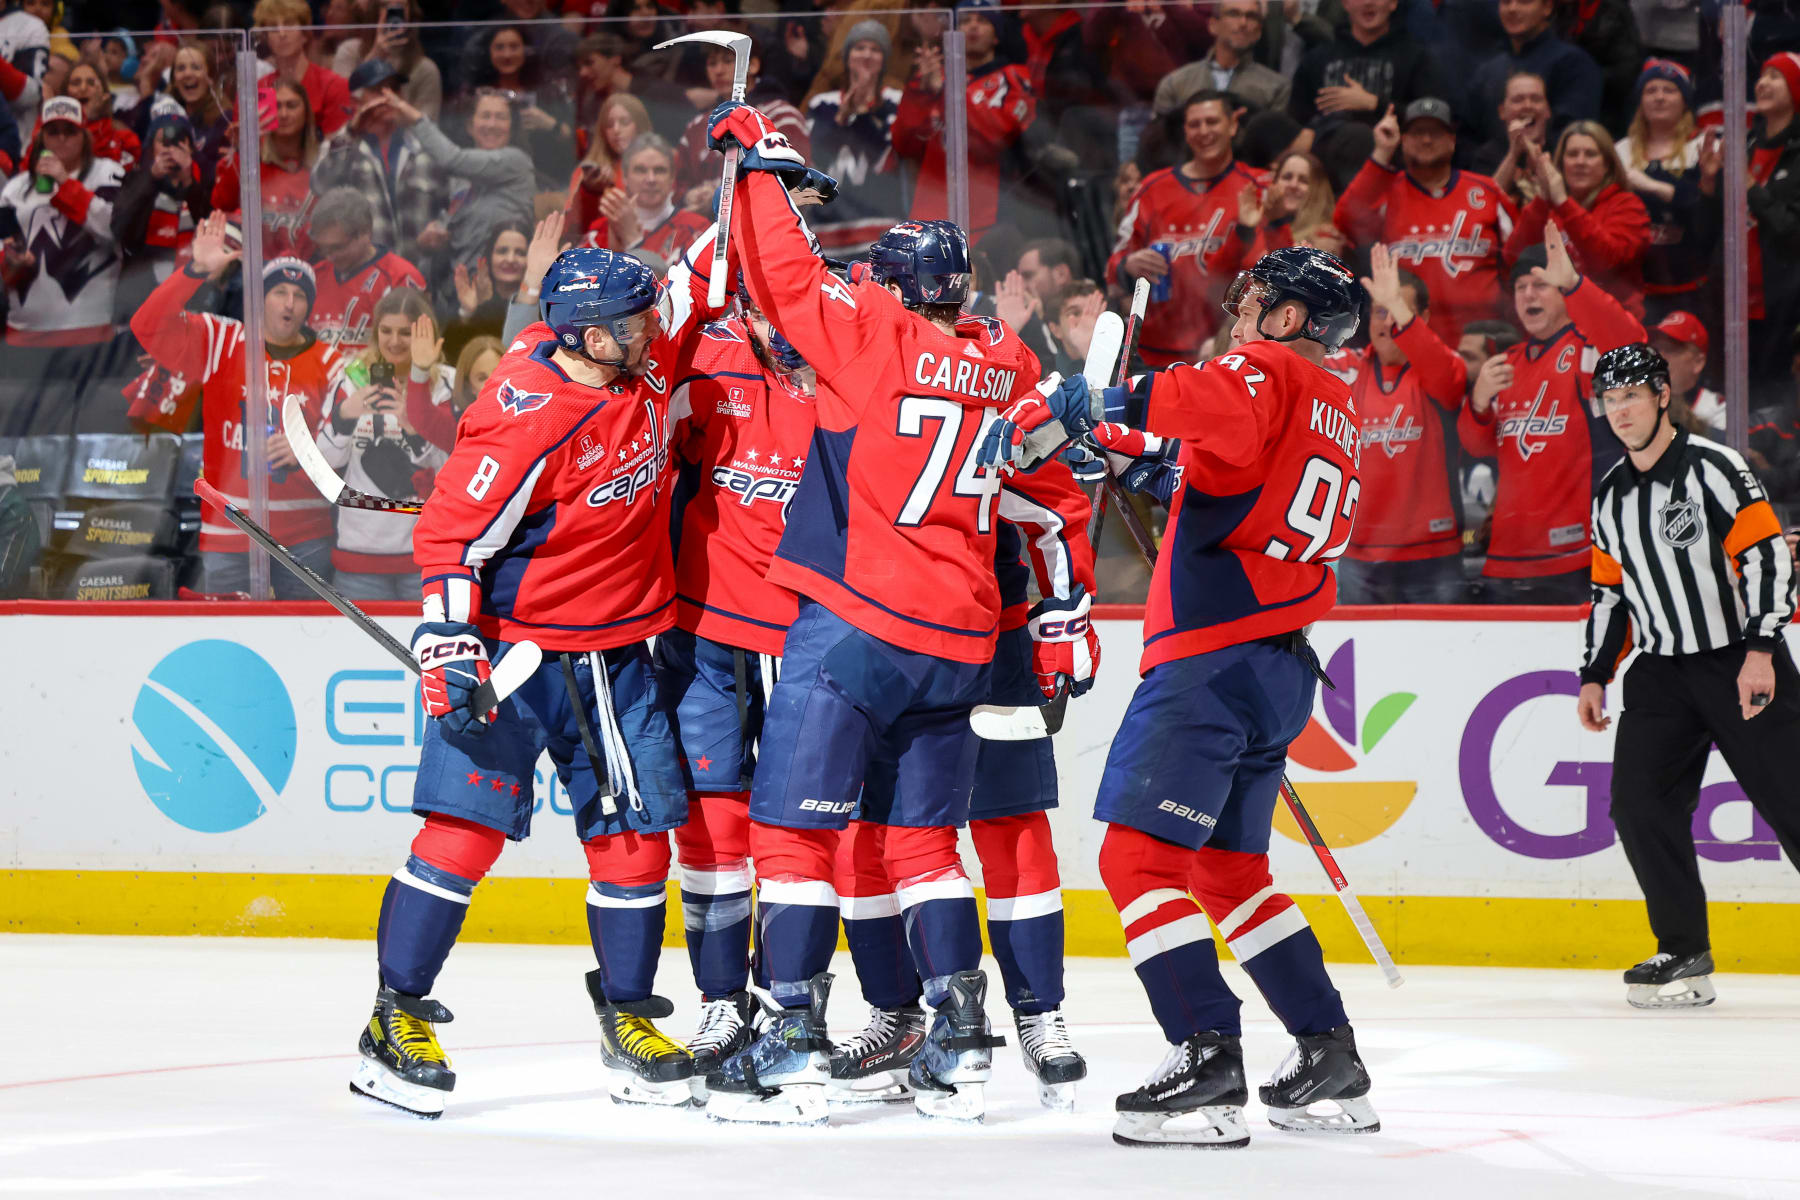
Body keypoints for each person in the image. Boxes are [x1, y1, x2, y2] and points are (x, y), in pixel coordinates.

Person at [977, 244, 1376, 1148]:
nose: (1244, 316)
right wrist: (1136, 453)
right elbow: (1227, 467)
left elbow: (1200, 398)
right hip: (1277, 668)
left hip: (1209, 667)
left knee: (1136, 862)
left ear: (1290, 322)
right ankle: (1328, 1053)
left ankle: (1205, 1057)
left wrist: (1098, 399)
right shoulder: (1338, 408)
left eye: (1261, 303)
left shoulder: (1264, 369)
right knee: (1229, 872)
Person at [700, 101, 1041, 1126]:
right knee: (925, 849)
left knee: (793, 839)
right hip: (961, 639)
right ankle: (961, 1040)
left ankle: (793, 1038)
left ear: (894, 289)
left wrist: (757, 163)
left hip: (856, 625)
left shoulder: (873, 334)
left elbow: (790, 277)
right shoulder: (1006, 366)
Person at [351, 223, 732, 1118]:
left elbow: (695, 272)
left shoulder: (631, 360)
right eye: (632, 325)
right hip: (517, 658)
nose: (654, 332)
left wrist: (751, 179)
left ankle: (629, 1018)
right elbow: (448, 538)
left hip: (617, 650)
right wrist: (447, 646)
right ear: (587, 337)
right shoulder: (527, 416)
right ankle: (393, 1016)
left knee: (635, 837)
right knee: (462, 834)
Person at [833, 427, 1099, 1113]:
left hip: (992, 636)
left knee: (1011, 826)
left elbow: (1051, 505)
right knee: (870, 831)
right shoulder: (856, 370)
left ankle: (1039, 1013)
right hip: (876, 631)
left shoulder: (991, 378)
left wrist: (1066, 615)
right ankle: (898, 1017)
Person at [1578, 342, 1800, 1010]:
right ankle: (1683, 949)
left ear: (1663, 396)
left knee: (1792, 801)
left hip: (1740, 660)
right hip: (1660, 674)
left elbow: (1768, 560)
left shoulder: (1716, 469)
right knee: (1638, 805)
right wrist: (1593, 674)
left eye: (1631, 396)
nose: (1619, 411)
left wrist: (1762, 647)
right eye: (1609, 400)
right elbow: (1608, 595)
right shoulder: (1611, 495)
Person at [130, 212, 337, 596]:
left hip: (306, 538)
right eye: (278, 292)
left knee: (311, 643)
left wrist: (309, 449)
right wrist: (194, 271)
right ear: (259, 297)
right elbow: (147, 326)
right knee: (232, 641)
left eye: (300, 295)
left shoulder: (330, 359)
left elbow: (353, 422)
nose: (289, 303)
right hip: (230, 533)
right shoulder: (220, 339)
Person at [1458, 224, 1645, 603]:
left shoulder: (1586, 351)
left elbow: (1631, 345)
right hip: (1506, 558)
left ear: (1562, 291)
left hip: (1575, 557)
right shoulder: (1507, 364)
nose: (1528, 294)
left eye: (1540, 284)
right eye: (1520, 287)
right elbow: (1478, 447)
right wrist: (1477, 403)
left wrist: (1576, 284)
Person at [1332, 245, 1469, 603]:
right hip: (1360, 556)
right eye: (1380, 311)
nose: (1388, 322)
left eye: (1398, 310)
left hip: (1432, 556)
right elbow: (1299, 363)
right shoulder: (1347, 367)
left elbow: (1446, 372)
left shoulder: (1440, 369)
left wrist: (1397, 307)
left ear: (1421, 317)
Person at [1336, 99, 1515, 345]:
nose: (1427, 140)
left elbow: (1518, 254)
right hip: (1408, 342)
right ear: (1404, 140)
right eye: (1418, 132)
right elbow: (1346, 220)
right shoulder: (1386, 191)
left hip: (1484, 343)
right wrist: (1381, 153)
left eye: (1436, 133)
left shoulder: (1486, 191)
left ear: (1452, 141)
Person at [1108, 90, 1266, 367]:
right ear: (1184, 131)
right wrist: (1128, 265)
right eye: (1194, 124)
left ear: (1232, 125)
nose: (1203, 131)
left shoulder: (1257, 186)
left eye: (1212, 121)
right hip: (1151, 352)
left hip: (1229, 347)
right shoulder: (1152, 188)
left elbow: (1265, 265)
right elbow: (1113, 265)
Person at [313, 287, 449, 600]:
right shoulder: (351, 379)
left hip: (426, 555)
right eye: (386, 331)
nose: (394, 341)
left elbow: (452, 469)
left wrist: (414, 424)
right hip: (359, 555)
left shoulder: (445, 384)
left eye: (405, 332)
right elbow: (323, 463)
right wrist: (345, 415)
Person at [892, 0, 1034, 243]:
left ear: (997, 35)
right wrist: (921, 93)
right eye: (966, 21)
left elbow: (996, 138)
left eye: (982, 20)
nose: (973, 26)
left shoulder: (1014, 77)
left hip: (988, 216)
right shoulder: (934, 77)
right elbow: (904, 143)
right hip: (930, 216)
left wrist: (948, 90)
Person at [384, 88, 534, 309]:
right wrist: (431, 240)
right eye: (485, 116)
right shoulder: (461, 181)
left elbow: (452, 158)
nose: (492, 124)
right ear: (470, 126)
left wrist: (415, 119)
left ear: (512, 128)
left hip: (499, 299)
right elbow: (459, 235)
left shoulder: (517, 162)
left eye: (500, 117)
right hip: (457, 297)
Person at [0, 94, 122, 346]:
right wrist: (9, 261)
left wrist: (65, 184)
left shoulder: (107, 173)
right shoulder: (16, 188)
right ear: (41, 137)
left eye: (70, 131)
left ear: (84, 136)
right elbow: (3, 241)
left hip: (88, 328)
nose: (62, 138)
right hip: (24, 332)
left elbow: (116, 230)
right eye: (53, 131)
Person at [311, 61, 446, 276]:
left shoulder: (425, 146)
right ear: (356, 101)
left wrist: (441, 226)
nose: (388, 97)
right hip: (364, 277)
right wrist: (352, 131)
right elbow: (320, 185)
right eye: (377, 91)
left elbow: (453, 202)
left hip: (421, 275)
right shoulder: (341, 146)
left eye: (394, 89)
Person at [1504, 121, 1650, 318]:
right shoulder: (1548, 210)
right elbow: (1514, 259)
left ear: (1607, 164)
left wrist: (1564, 203)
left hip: (1615, 325)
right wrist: (1542, 200)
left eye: (1590, 154)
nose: (1580, 162)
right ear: (1562, 163)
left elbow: (1606, 262)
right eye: (1572, 154)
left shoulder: (1627, 205)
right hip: (1560, 325)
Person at [1287, 0, 1445, 177]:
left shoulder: (1416, 58)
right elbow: (1296, 120)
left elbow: (1431, 120)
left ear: (1393, 3)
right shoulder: (1317, 59)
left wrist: (1374, 103)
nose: (1369, 3)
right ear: (1345, 4)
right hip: (1322, 173)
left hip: (1391, 169)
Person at [804, 19, 904, 258]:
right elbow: (816, 158)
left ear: (884, 61)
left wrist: (866, 113)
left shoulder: (895, 102)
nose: (867, 55)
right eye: (859, 48)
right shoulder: (822, 104)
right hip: (828, 229)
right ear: (847, 57)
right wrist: (842, 117)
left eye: (875, 49)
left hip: (880, 227)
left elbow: (885, 159)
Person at [1615, 59, 1705, 323]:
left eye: (1669, 90)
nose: (1659, 98)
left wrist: (1649, 185)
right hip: (1634, 287)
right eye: (1651, 91)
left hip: (1690, 285)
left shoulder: (1701, 147)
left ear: (1685, 101)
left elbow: (1702, 206)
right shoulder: (1621, 150)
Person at [111, 111, 211, 314]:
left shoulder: (202, 186)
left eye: (178, 142)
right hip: (140, 300)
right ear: (151, 148)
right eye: (164, 141)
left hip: (189, 302)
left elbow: (209, 227)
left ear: (190, 149)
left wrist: (188, 181)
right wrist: (152, 178)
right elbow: (120, 229)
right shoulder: (135, 181)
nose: (170, 149)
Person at [1466, 0, 1601, 149]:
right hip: (1489, 170)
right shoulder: (1488, 70)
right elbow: (1468, 136)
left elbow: (1574, 135)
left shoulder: (1574, 64)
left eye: (1524, 2)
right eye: (1506, 2)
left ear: (1547, 7)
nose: (1512, 8)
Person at [306, 186, 427, 353]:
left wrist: (357, 377)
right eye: (322, 249)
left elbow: (415, 353)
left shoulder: (400, 279)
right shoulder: (313, 277)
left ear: (366, 232)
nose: (329, 256)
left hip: (377, 377)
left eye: (337, 248)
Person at [212, 77, 318, 261]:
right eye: (276, 106)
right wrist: (241, 151)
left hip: (308, 271)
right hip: (252, 271)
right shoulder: (250, 160)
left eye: (291, 105)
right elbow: (221, 205)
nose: (283, 114)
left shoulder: (322, 166)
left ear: (307, 113)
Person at [461, 23, 574, 190]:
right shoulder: (474, 91)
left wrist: (549, 124)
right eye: (499, 47)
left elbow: (573, 142)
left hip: (541, 178)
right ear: (488, 52)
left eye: (514, 47)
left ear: (526, 51)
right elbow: (458, 138)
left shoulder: (547, 91)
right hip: (481, 175)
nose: (507, 55)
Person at [1153, 1, 1288, 121]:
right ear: (1213, 25)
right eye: (1233, 14)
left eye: (1251, 16)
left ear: (1258, 31)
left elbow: (1276, 144)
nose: (1243, 23)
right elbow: (1158, 142)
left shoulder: (1276, 88)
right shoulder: (1176, 83)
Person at [589, 134, 711, 265]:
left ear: (672, 178)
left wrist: (633, 241)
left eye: (659, 170)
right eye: (640, 170)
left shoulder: (697, 228)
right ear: (624, 177)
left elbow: (685, 284)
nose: (651, 179)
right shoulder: (600, 230)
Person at [253, 0, 351, 136]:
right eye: (273, 27)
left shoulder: (334, 85)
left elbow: (338, 148)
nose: (282, 34)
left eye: (289, 25)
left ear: (305, 34)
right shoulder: (261, 88)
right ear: (266, 37)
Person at [565, 90, 652, 243]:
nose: (616, 130)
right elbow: (572, 229)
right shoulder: (588, 172)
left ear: (639, 125)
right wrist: (590, 193)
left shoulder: (661, 163)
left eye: (624, 122)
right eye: (609, 125)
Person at [1234, 150, 1343, 264]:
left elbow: (1283, 274)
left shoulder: (1326, 239)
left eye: (1303, 180)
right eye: (1287, 177)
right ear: (1274, 182)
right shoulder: (1257, 225)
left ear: (1317, 190)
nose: (1293, 185)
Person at [1476, 70, 1550, 200]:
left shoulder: (1564, 149)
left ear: (1548, 110)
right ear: (1502, 111)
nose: (1528, 105)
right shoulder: (1486, 155)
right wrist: (1513, 154)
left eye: (1536, 99)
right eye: (1518, 100)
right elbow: (1483, 203)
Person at [1649, 310, 1723, 435]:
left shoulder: (1717, 409)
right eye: (1655, 349)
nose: (1659, 357)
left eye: (1669, 349)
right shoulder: (1641, 400)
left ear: (1698, 362)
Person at [65, 59, 137, 169]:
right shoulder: (51, 132)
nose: (83, 88)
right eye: (76, 83)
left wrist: (89, 117)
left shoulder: (123, 137)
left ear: (104, 95)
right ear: (64, 94)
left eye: (91, 83)